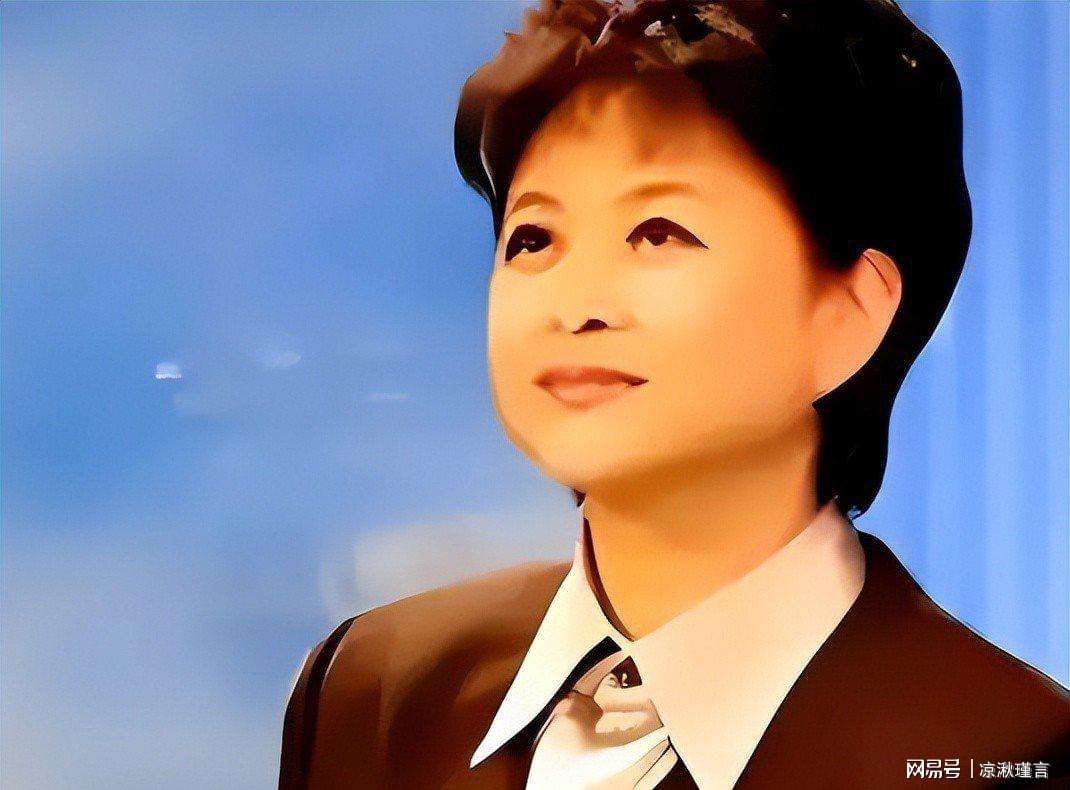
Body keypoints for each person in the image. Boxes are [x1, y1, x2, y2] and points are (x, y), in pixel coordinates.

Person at [279, 1, 1070, 787]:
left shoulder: (1012, 751)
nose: (575, 305)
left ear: (850, 313)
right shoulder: (373, 689)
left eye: (659, 233)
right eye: (534, 239)